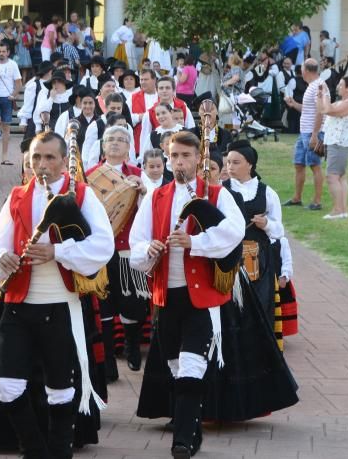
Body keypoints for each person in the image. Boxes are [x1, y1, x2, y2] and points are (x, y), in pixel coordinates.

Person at [0, 130, 114, 458]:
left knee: (60, 388)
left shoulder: (81, 195)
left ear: (64, 160)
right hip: (18, 304)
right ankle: (35, 449)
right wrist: (2, 259)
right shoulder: (17, 196)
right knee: (8, 387)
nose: (42, 164)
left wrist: (57, 252)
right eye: (36, 157)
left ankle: (59, 450)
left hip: (62, 304)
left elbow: (102, 245)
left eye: (50, 157)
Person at [129, 131, 245, 457]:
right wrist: (148, 249)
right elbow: (136, 242)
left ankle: (180, 442)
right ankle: (192, 434)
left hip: (202, 299)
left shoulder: (216, 194)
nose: (179, 161)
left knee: (193, 368)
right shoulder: (156, 197)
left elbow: (234, 233)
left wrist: (196, 243)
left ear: (198, 158)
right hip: (167, 297)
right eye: (174, 156)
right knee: (178, 370)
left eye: (185, 156)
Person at [85, 125, 147, 380]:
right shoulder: (89, 175)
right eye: (110, 139)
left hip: (126, 250)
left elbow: (150, 212)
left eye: (121, 140)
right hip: (100, 251)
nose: (115, 143)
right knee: (104, 306)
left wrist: (143, 192)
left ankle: (132, 344)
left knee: (135, 304)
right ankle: (108, 360)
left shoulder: (138, 174)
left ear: (129, 147)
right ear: (102, 145)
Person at [222, 139, 284, 325]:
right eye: (228, 162)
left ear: (250, 164)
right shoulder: (221, 190)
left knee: (259, 308)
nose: (230, 167)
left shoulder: (267, 193)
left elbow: (278, 230)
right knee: (230, 310)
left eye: (236, 162)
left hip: (259, 261)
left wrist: (266, 224)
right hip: (229, 260)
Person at [282, 59, 324, 211]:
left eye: (301, 68)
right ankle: (297, 198)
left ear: (306, 70)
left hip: (312, 133)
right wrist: (294, 104)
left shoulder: (319, 86)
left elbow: (320, 111)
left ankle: (317, 202)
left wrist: (315, 135)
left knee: (315, 165)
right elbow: (308, 109)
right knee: (299, 164)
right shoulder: (312, 86)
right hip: (304, 132)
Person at [318, 77, 348, 220]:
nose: (338, 87)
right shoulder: (342, 102)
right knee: (340, 177)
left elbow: (328, 109)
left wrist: (326, 95)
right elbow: (323, 109)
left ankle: (338, 210)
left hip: (340, 144)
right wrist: (320, 96)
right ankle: (342, 210)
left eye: (341, 85)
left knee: (332, 177)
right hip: (335, 143)